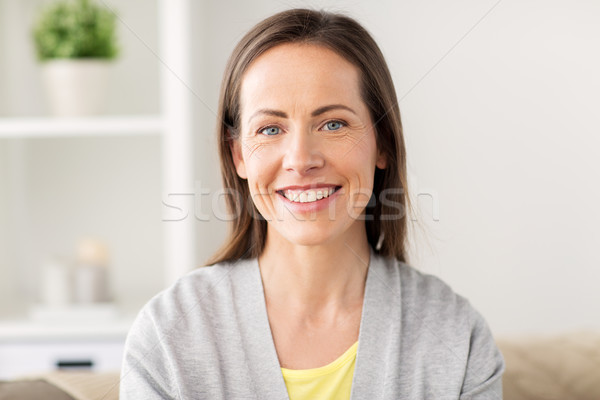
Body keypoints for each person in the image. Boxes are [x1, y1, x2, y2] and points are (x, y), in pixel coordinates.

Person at [120, 8, 505, 399]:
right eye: (270, 129)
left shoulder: (456, 337)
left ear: (382, 143)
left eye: (333, 124)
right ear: (238, 156)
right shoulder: (168, 336)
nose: (301, 159)